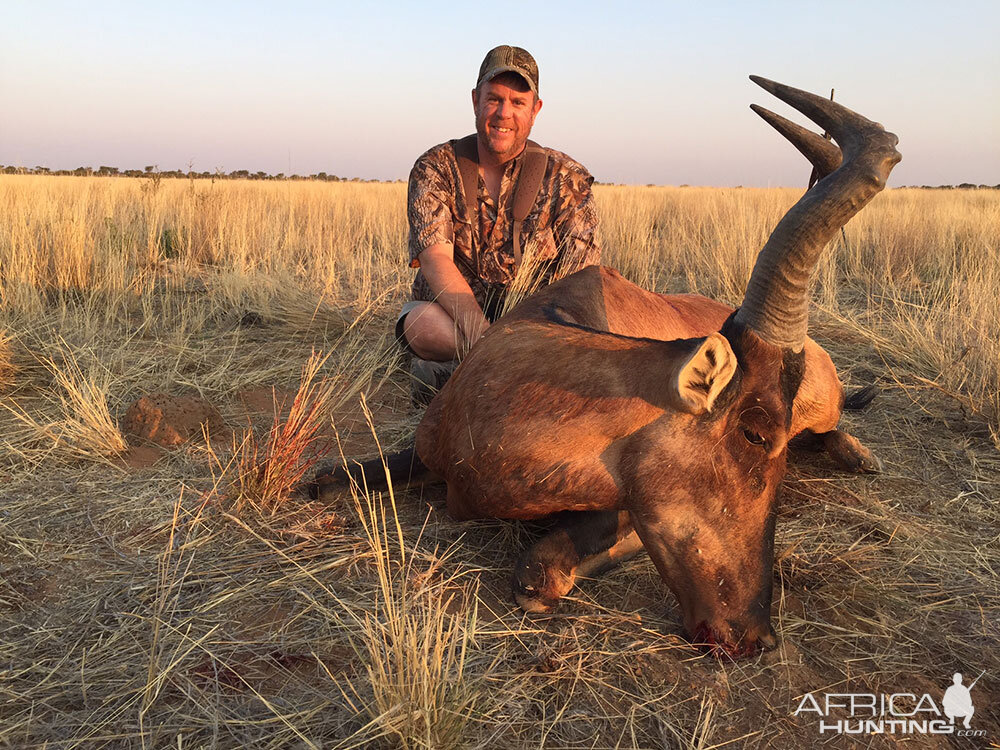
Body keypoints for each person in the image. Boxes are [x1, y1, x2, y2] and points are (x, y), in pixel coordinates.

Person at [398, 45, 601, 403]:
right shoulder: (435, 167)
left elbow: (581, 280)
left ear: (535, 110)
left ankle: (466, 376)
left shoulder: (568, 178)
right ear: (476, 100)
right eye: (494, 99)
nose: (503, 114)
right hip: (455, 321)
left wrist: (536, 338)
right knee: (421, 326)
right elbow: (436, 259)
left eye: (517, 102)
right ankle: (510, 372)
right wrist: (486, 340)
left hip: (535, 327)